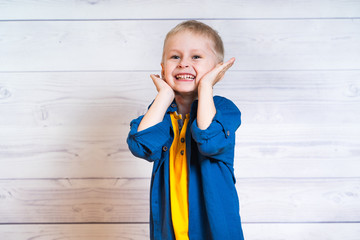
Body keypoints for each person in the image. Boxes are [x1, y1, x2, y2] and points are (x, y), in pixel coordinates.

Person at [127, 20, 244, 240]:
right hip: (169, 232)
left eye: (196, 57)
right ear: (163, 68)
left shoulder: (225, 110)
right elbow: (141, 146)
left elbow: (209, 140)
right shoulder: (160, 114)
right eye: (175, 57)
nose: (183, 64)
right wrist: (163, 96)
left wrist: (206, 86)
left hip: (214, 231)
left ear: (217, 69)